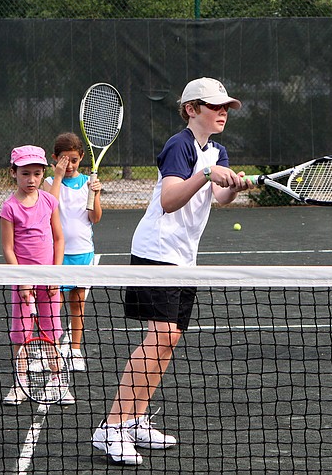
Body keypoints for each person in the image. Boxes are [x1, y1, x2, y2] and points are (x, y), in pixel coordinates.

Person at [92, 77, 253, 465]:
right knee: (159, 336)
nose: (223, 113)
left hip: (185, 259)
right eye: (214, 107)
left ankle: (133, 419)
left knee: (169, 340)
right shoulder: (179, 145)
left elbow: (220, 197)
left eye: (225, 107)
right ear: (191, 109)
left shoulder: (218, 150)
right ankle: (111, 426)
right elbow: (169, 200)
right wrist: (207, 174)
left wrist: (233, 185)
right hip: (156, 253)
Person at [0, 145, 71, 405]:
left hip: (49, 280)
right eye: (25, 173)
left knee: (52, 331)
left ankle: (57, 380)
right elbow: (8, 248)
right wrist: (22, 280)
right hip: (23, 282)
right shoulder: (9, 208)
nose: (31, 179)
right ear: (13, 173)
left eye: (37, 174)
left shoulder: (50, 201)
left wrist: (55, 274)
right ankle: (20, 382)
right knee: (21, 333)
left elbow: (59, 239)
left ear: (43, 175)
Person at [43, 132, 103, 380]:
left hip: (82, 253)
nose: (69, 166)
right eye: (64, 161)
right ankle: (49, 352)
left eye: (74, 161)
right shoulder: (48, 183)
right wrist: (57, 176)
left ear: (81, 160)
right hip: (55, 255)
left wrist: (95, 194)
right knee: (51, 306)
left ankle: (75, 350)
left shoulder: (89, 184)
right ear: (55, 159)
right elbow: (50, 207)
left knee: (78, 304)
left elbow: (95, 218)